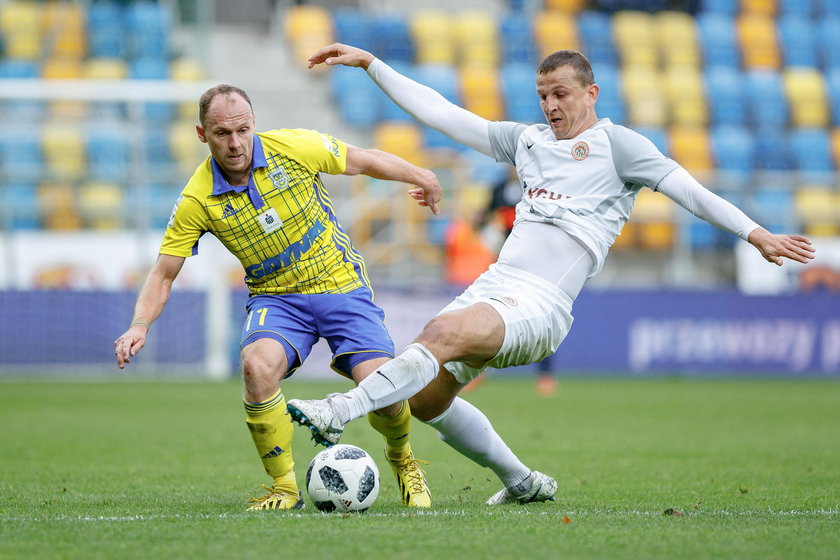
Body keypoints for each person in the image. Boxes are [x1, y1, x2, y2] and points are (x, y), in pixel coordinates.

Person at [286, 44, 816, 505]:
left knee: (440, 337)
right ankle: (522, 481)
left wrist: (755, 233)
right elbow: (443, 113)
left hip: (542, 304)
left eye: (561, 93)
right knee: (426, 400)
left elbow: (691, 193)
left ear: (592, 93)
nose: (551, 105)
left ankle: (339, 410)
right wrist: (372, 64)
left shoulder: (621, 147)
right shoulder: (527, 141)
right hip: (496, 285)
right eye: (543, 95)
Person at [113, 84, 442, 510]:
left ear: (254, 125)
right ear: (202, 134)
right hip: (277, 299)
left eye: (242, 130)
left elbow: (363, 160)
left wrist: (421, 175)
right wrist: (139, 325)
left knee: (383, 385)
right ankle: (284, 488)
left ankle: (403, 459)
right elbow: (163, 273)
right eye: (221, 133)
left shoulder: (294, 147)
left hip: (339, 283)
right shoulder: (197, 198)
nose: (234, 143)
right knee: (256, 366)